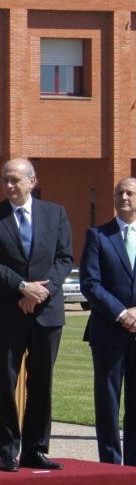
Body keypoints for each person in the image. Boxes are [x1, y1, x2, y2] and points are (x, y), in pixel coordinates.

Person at [0, 158, 72, 472]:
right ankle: (7, 450)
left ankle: (35, 449)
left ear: (32, 181)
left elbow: (63, 257)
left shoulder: (55, 213)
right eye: (5, 180)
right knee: (5, 382)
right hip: (6, 313)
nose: (9, 186)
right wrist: (22, 287)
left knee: (41, 383)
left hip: (46, 313)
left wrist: (42, 291)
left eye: (15, 180)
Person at [81, 177, 136, 466]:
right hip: (108, 330)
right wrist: (123, 313)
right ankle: (111, 466)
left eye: (129, 192)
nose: (124, 197)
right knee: (108, 402)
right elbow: (90, 283)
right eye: (119, 192)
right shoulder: (98, 236)